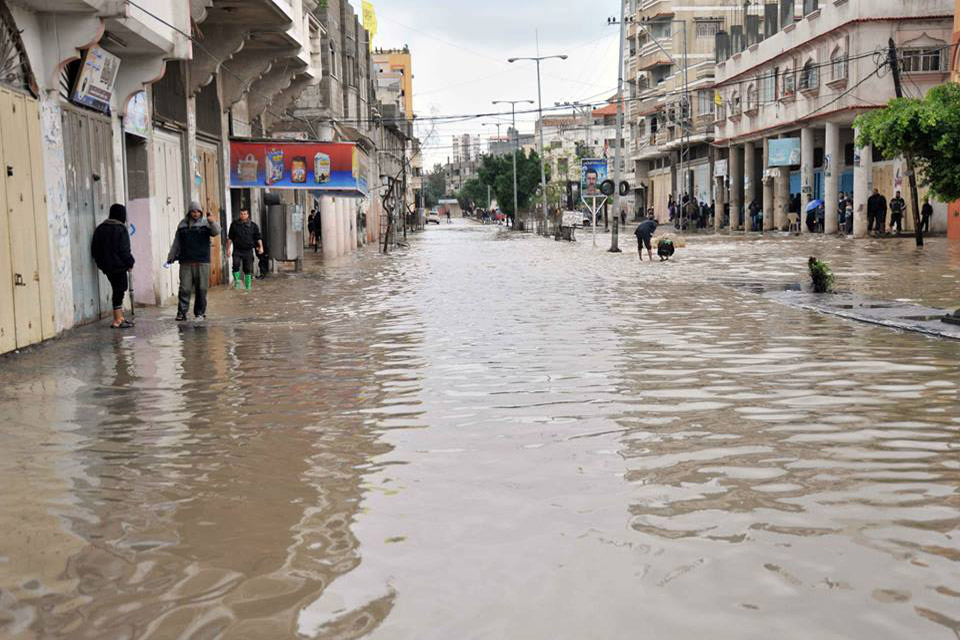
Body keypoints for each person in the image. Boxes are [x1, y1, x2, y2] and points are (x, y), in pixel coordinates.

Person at [166, 201, 221, 322]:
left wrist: (212, 221)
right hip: (186, 262)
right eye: (193, 211)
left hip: (202, 262)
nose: (195, 214)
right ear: (189, 212)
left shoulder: (206, 223)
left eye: (197, 211)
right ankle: (182, 313)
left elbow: (217, 232)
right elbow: (177, 243)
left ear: (200, 212)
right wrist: (171, 256)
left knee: (201, 289)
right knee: (185, 288)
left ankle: (200, 313)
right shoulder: (182, 225)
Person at [91, 203, 135, 329]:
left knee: (118, 289)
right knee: (119, 290)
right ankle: (117, 320)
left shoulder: (100, 228)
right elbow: (124, 250)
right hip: (118, 266)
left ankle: (120, 317)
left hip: (106, 266)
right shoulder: (121, 229)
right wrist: (130, 262)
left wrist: (101, 263)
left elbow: (94, 249)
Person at [227, 207, 263, 291]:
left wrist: (261, 247)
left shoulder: (253, 225)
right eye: (241, 214)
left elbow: (258, 237)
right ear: (239, 215)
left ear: (248, 214)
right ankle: (237, 283)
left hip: (248, 250)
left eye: (245, 214)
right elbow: (230, 238)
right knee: (235, 265)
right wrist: (228, 249)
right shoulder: (234, 224)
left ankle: (248, 287)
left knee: (247, 269)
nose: (243, 215)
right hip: (237, 250)